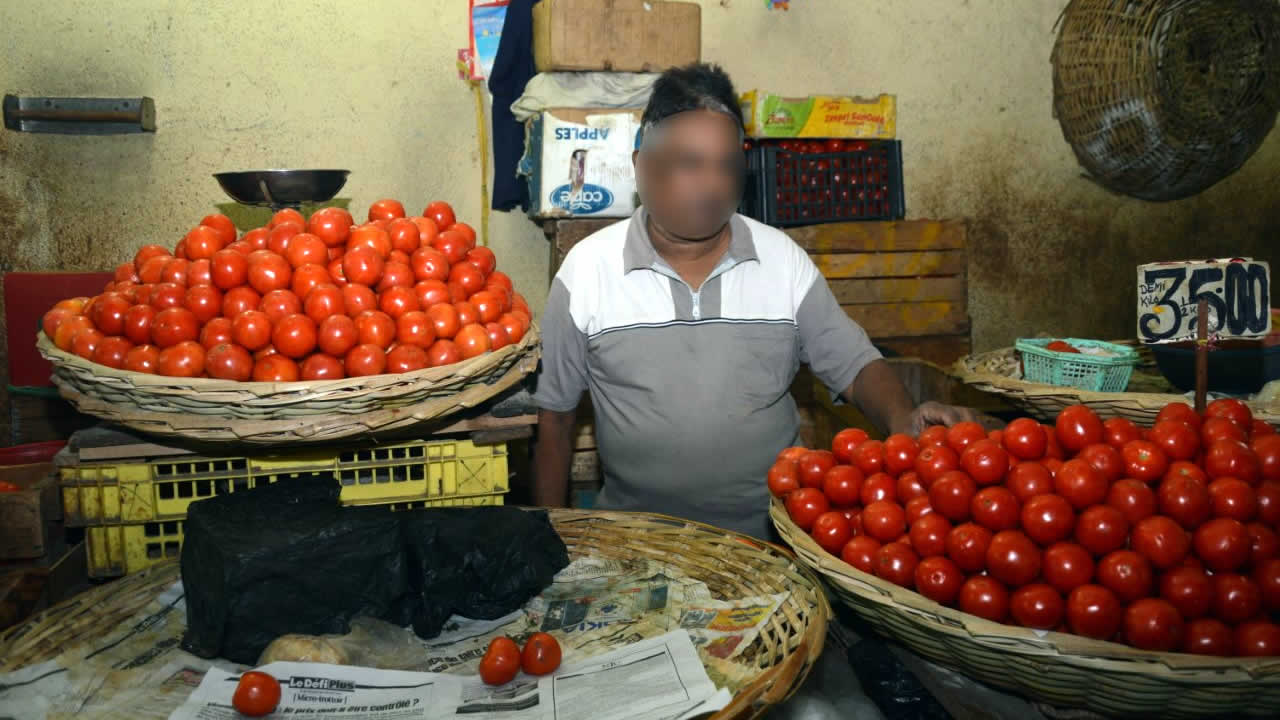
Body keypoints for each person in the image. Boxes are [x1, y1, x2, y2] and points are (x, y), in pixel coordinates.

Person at [532, 63, 979, 539]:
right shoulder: (588, 270)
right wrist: (546, 542)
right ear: (642, 166)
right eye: (690, 164)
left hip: (773, 539)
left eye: (726, 166)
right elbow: (554, 420)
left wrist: (902, 418)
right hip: (637, 543)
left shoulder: (781, 260)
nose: (713, 185)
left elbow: (854, 364)